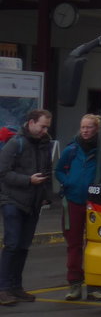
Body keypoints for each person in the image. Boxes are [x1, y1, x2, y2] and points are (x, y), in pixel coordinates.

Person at [0, 108, 55, 305]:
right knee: (13, 244)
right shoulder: (16, 143)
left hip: (32, 202)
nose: (44, 130)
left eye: (47, 127)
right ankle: (3, 288)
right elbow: (3, 173)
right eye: (42, 126)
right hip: (13, 201)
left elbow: (47, 171)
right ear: (31, 123)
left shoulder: (45, 144)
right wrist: (27, 180)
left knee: (23, 246)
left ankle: (16, 286)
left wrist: (47, 196)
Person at [55, 114, 101, 301]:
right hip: (73, 201)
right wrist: (67, 183)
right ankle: (75, 285)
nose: (85, 130)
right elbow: (58, 170)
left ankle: (95, 287)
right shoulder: (71, 149)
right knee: (74, 244)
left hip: (95, 203)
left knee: (96, 244)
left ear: (96, 129)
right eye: (83, 127)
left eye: (89, 127)